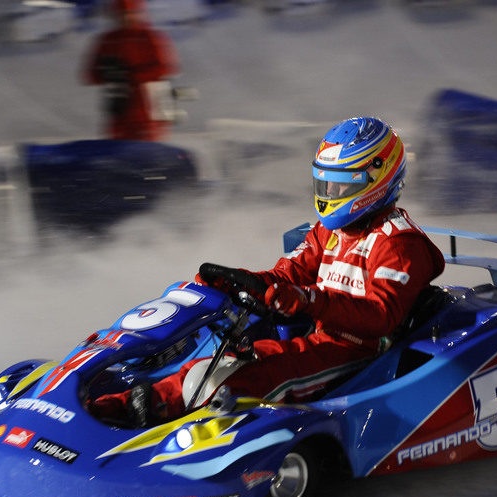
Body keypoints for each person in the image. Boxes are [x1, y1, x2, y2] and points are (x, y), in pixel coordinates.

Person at [92, 116, 445, 426]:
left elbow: (382, 315)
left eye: (342, 185)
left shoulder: (399, 243)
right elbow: (288, 274)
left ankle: (176, 448)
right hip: (317, 339)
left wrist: (308, 300)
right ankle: (122, 409)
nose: (331, 193)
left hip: (359, 354)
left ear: (376, 179)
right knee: (209, 362)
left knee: (245, 382)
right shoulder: (330, 231)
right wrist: (241, 283)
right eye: (326, 184)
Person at [79, 0, 179, 141]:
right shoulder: (108, 40)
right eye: (120, 14)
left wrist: (132, 76)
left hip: (149, 106)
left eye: (129, 13)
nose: (125, 18)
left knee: (149, 148)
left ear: (139, 13)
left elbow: (166, 68)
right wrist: (109, 75)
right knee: (118, 148)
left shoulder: (150, 37)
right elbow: (90, 75)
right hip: (121, 107)